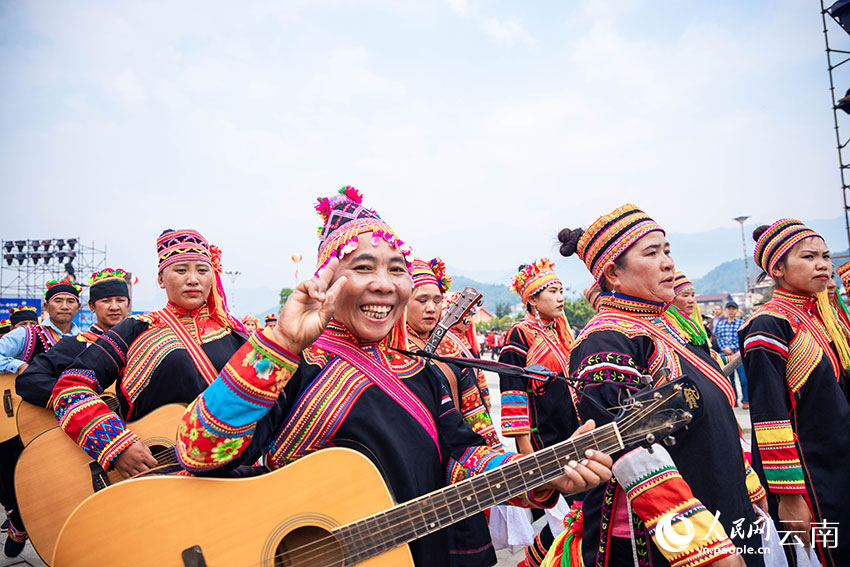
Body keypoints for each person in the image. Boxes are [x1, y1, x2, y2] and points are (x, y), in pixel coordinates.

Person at [176, 186, 613, 567]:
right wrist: (283, 343)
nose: (384, 284)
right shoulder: (289, 365)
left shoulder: (423, 372)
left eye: (396, 269)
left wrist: (538, 470)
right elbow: (198, 451)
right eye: (363, 268)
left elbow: (462, 460)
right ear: (326, 281)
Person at [557, 203, 765, 567]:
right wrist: (704, 548)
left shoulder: (668, 329)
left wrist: (748, 487)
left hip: (718, 505)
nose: (668, 262)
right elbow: (631, 450)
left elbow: (712, 421)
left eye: (667, 251)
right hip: (668, 538)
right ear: (613, 274)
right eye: (651, 253)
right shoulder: (605, 340)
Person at [51, 229, 245, 481]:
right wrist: (115, 444)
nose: (193, 279)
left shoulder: (236, 337)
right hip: (148, 475)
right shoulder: (136, 329)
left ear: (213, 276)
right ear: (161, 280)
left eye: (202, 270)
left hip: (226, 475)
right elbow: (69, 388)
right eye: (181, 270)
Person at [739, 219, 850, 567]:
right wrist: (789, 496)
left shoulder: (823, 317)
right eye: (809, 256)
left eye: (826, 256)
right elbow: (769, 414)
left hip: (839, 462)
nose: (822, 264)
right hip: (809, 476)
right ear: (778, 269)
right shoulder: (769, 324)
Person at [406, 257, 499, 567]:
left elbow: (476, 412)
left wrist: (496, 459)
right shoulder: (384, 348)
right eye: (422, 300)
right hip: (413, 474)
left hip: (459, 464)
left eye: (437, 300)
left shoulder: (453, 348)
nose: (432, 308)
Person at [497, 259, 578, 567]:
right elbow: (513, 391)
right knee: (567, 513)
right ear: (531, 298)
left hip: (572, 432)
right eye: (552, 291)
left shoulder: (563, 335)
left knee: (573, 512)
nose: (560, 298)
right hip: (543, 438)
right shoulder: (519, 335)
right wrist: (525, 447)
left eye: (561, 291)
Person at [0, 276, 82, 556]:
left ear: (79, 306)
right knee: (9, 473)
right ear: (46, 305)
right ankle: (18, 522)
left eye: (71, 301)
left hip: (57, 419)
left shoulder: (82, 340)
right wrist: (17, 364)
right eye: (58, 300)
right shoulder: (27, 335)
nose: (65, 306)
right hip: (18, 416)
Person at [17, 268, 131, 408]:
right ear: (92, 306)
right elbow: (29, 381)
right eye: (106, 301)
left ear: (128, 304)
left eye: (120, 300)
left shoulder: (140, 344)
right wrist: (78, 400)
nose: (114, 307)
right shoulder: (75, 345)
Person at [715, 301, 747, 408]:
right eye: (729, 309)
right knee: (729, 379)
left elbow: (742, 338)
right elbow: (719, 338)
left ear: (737, 310)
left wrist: (732, 349)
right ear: (726, 310)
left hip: (739, 355)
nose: (731, 311)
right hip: (725, 354)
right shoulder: (721, 324)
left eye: (733, 309)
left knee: (743, 379)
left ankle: (746, 400)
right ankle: (733, 400)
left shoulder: (741, 323)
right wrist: (724, 348)